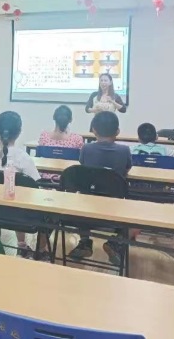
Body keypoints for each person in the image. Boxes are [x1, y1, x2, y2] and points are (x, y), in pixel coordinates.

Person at [70, 111, 132, 263]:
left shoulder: (86, 149)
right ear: (117, 131)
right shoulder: (124, 151)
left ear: (94, 130)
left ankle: (85, 241)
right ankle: (115, 242)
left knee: (84, 195)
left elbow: (84, 167)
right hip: (114, 210)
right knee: (139, 210)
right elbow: (126, 170)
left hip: (86, 210)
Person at [0, 111, 41, 257]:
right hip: (22, 215)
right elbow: (36, 188)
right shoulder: (23, 158)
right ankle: (30, 248)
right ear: (19, 132)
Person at [38, 105, 84, 181]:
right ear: (70, 120)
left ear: (54, 118)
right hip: (68, 179)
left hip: (45, 180)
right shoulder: (77, 139)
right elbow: (81, 162)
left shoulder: (44, 136)